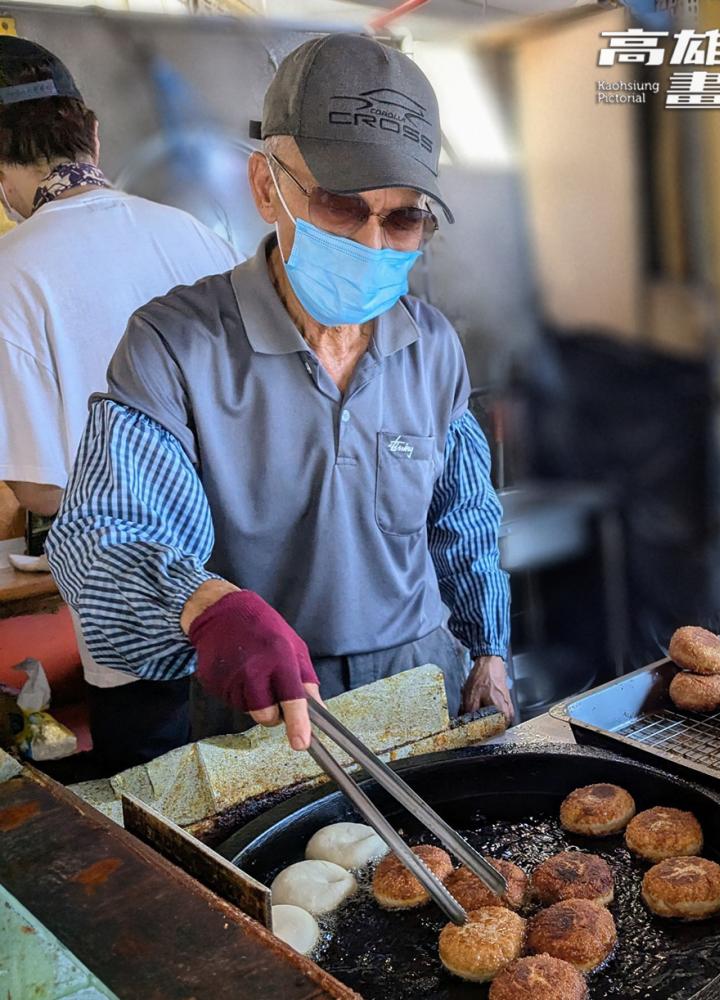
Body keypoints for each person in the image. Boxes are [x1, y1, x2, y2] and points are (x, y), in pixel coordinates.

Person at [47, 33, 512, 774]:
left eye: (402, 219)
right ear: (267, 187)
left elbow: (464, 522)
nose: (371, 240)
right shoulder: (176, 347)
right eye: (339, 204)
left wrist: (488, 651)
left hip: (427, 688)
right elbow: (105, 534)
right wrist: (207, 606)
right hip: (268, 712)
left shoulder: (430, 346)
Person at [0, 36, 243, 766]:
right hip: (244, 611)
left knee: (169, 851)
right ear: (92, 131)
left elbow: (42, 487)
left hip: (134, 637)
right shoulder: (199, 237)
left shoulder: (10, 274)